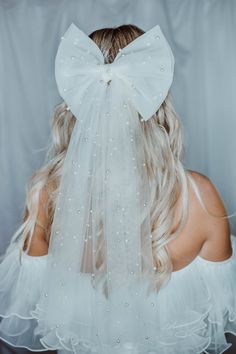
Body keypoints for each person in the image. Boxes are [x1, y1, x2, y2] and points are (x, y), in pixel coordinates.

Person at [0, 22, 235, 354]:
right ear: (156, 96)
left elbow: (46, 328)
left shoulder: (45, 195)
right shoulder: (200, 197)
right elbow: (220, 330)